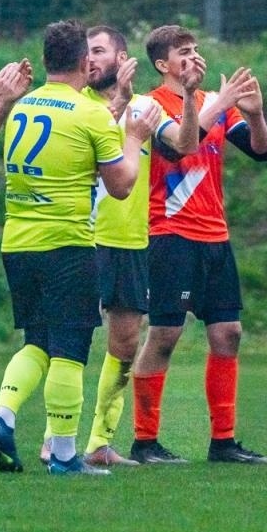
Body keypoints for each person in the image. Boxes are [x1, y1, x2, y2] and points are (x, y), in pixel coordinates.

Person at [0, 21, 153, 475]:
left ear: (45, 61)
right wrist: (134, 138)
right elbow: (121, 185)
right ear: (86, 63)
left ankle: (3, 417)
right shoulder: (90, 115)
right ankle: (64, 455)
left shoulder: (23, 105)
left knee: (37, 341)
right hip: (66, 244)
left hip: (17, 241)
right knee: (70, 348)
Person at [129, 25, 267, 465]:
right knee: (166, 334)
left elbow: (261, 151)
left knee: (228, 334)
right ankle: (144, 440)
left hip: (215, 236)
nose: (193, 57)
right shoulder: (149, 105)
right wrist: (217, 103)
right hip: (171, 235)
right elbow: (180, 148)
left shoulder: (215, 100)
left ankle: (224, 442)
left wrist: (254, 115)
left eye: (195, 50)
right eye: (183, 52)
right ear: (162, 64)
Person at [75, 25, 162, 468]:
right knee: (65, 338)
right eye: (86, 52)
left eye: (99, 51)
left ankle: (99, 443)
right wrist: (120, 104)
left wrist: (193, 96)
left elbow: (184, 145)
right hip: (81, 238)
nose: (90, 59)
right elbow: (93, 149)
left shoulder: (147, 107)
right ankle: (57, 440)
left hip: (129, 241)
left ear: (122, 57)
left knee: (125, 346)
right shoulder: (77, 105)